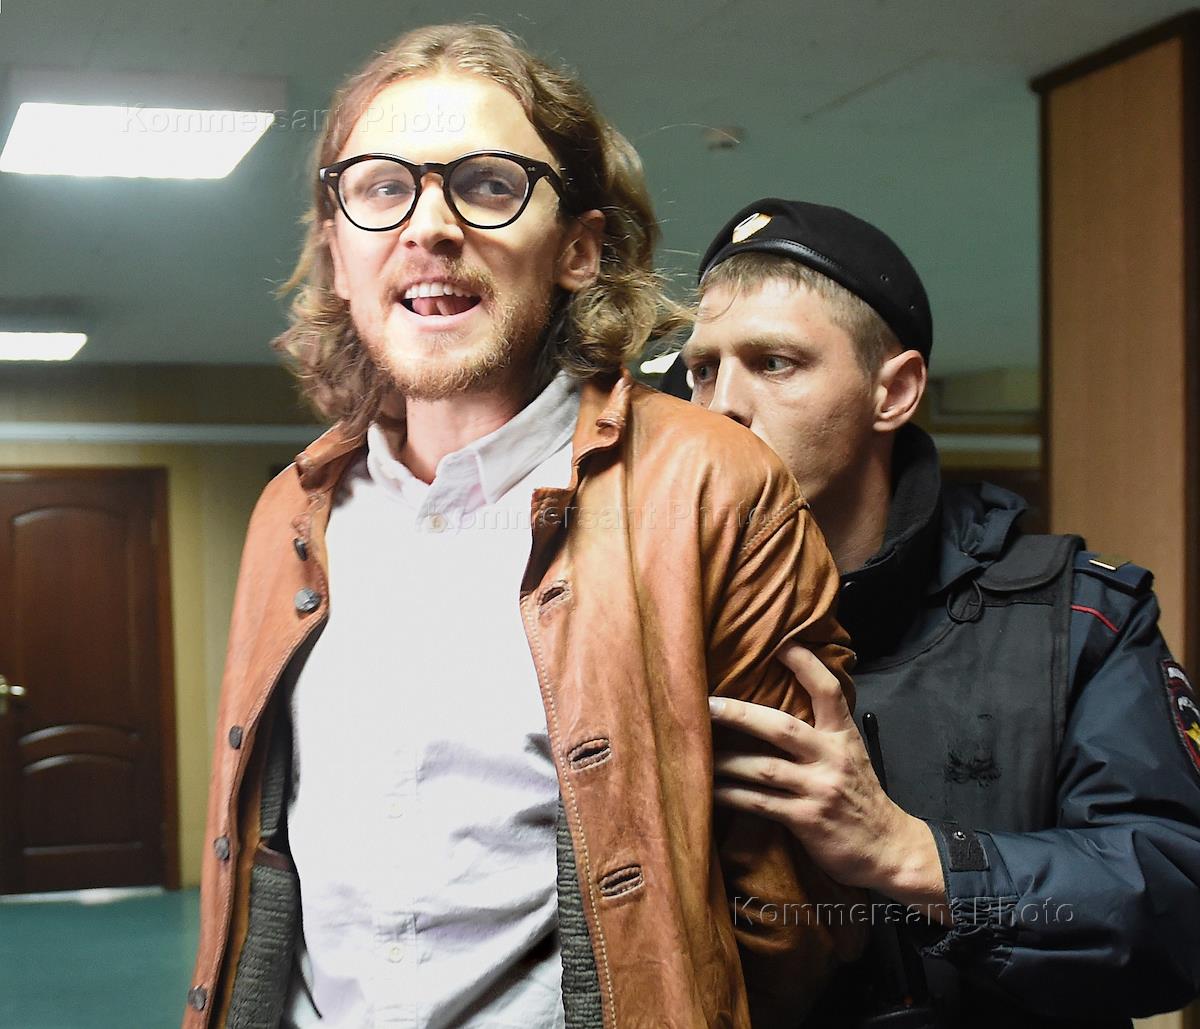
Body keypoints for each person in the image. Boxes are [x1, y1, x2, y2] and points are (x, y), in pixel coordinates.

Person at [183, 30, 866, 1029]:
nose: (429, 226)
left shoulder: (713, 487)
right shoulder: (292, 508)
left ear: (579, 249)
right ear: (337, 254)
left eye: (489, 184)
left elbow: (784, 915)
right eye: (382, 189)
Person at [667, 198, 1200, 1027]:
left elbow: (1178, 902)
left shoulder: (1079, 616)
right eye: (703, 370)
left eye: (774, 362)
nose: (720, 406)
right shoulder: (653, 621)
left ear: (895, 391)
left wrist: (910, 855)